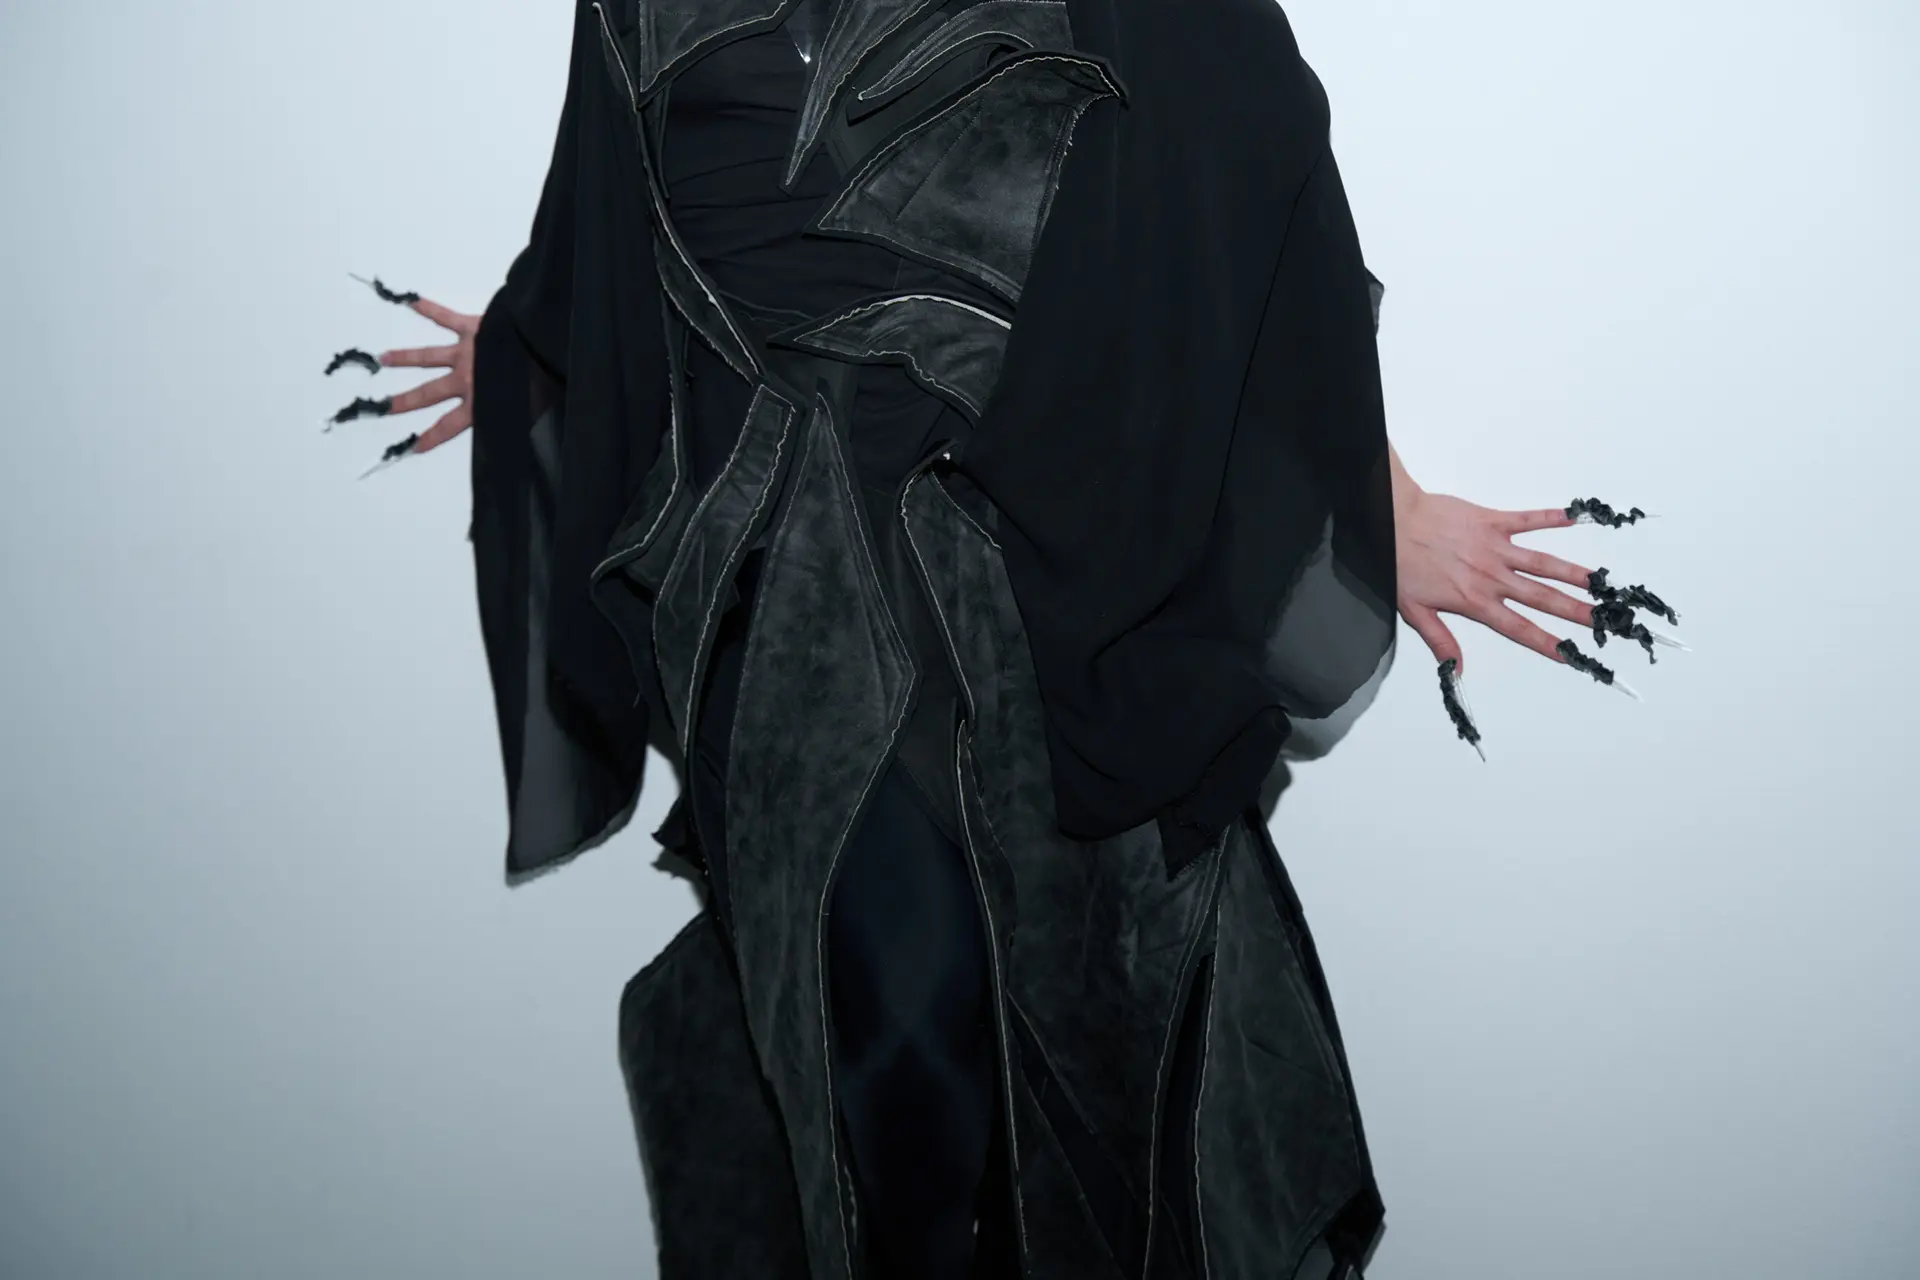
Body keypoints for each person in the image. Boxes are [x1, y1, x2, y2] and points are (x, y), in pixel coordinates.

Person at [356, 1, 1629, 1275]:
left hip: (1055, 557)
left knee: (1082, 1048)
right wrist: (529, 354)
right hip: (776, 579)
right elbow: (605, 217)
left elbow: (1252, 202)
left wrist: (1383, 504)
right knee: (892, 1042)